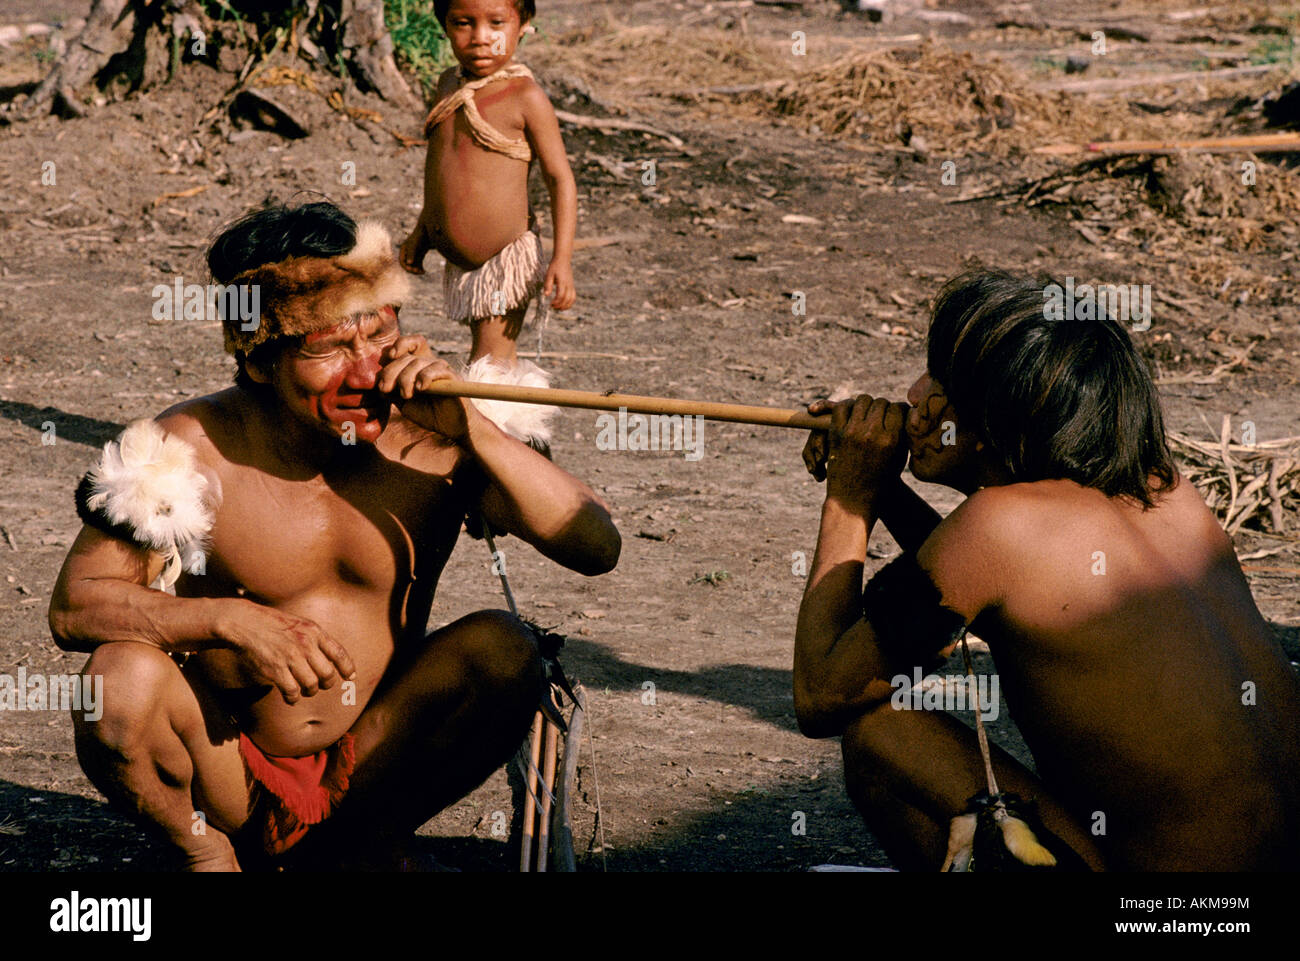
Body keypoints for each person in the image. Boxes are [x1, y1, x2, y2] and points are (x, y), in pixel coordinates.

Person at [48, 201, 619, 871]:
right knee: (119, 683)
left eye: (378, 334)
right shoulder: (186, 448)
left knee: (503, 649)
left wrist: (475, 430)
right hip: (228, 770)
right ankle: (206, 852)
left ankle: (363, 842)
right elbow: (74, 604)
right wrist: (228, 621)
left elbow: (595, 546)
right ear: (260, 360)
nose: (365, 370)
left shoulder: (441, 434)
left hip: (373, 755)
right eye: (330, 348)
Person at [794, 267, 1300, 870]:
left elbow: (821, 693)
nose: (913, 393)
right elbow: (985, 588)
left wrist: (850, 497)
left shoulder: (999, 529)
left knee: (883, 734)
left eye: (941, 381)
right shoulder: (1166, 493)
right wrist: (883, 486)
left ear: (987, 424)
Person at [399, 0, 576, 408]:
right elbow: (442, 169)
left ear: (523, 25)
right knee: (482, 362)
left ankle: (502, 452)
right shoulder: (449, 85)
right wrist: (421, 231)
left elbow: (560, 177)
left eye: (496, 23)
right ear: (444, 25)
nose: (480, 37)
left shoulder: (525, 96)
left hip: (503, 260)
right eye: (463, 23)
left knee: (491, 365)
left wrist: (561, 258)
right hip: (459, 261)